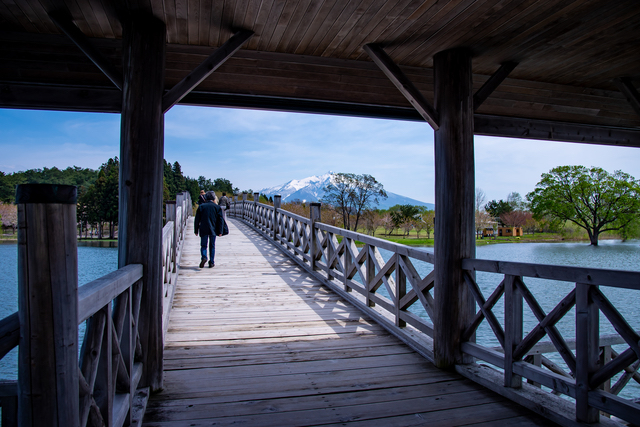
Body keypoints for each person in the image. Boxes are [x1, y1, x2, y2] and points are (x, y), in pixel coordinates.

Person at [194, 191, 223, 268]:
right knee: (212, 245)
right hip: (213, 228)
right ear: (214, 198)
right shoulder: (217, 207)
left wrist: (196, 230)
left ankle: (204, 257)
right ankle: (211, 262)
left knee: (203, 245)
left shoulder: (201, 206)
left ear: (206, 198)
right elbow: (220, 220)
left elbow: (197, 219)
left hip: (203, 228)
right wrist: (220, 231)